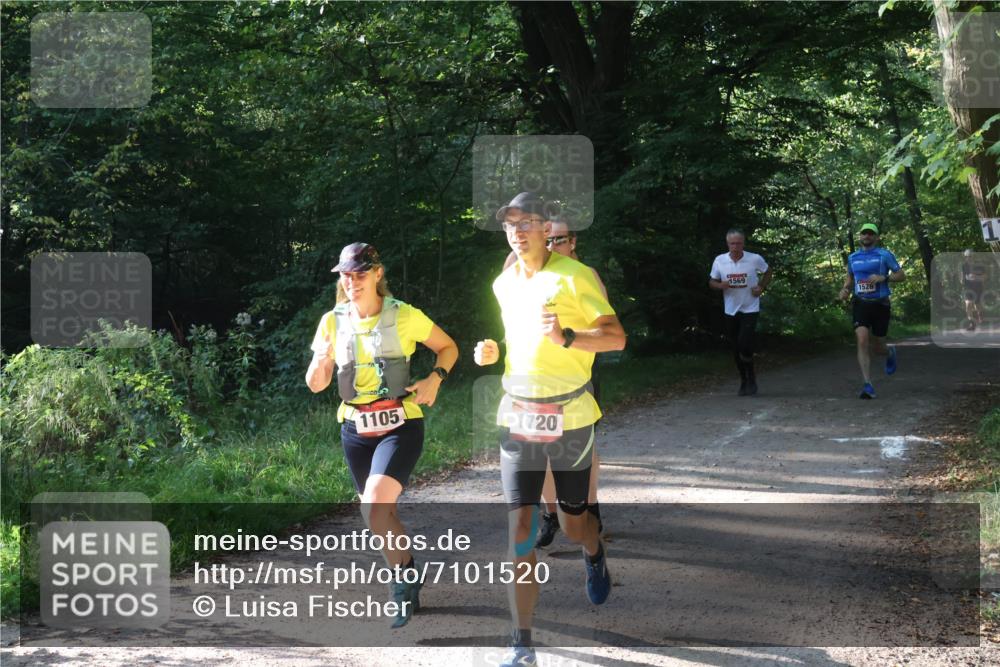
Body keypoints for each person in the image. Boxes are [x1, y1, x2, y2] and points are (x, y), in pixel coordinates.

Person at [475, 193, 626, 667]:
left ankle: (594, 547)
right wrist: (493, 355)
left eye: (527, 223)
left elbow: (617, 336)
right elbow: (517, 340)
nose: (518, 232)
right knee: (519, 526)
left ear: (546, 229)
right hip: (517, 413)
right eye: (510, 225)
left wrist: (568, 336)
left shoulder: (576, 277)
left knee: (571, 523)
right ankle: (521, 643)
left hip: (571, 416)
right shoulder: (503, 283)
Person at [305, 242, 458, 628]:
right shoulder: (331, 321)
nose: (351, 282)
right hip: (355, 428)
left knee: (374, 505)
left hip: (400, 424)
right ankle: (407, 572)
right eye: (345, 275)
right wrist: (321, 360)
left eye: (359, 274)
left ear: (377, 274)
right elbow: (315, 384)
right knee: (378, 514)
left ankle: (400, 585)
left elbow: (447, 347)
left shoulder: (403, 315)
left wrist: (434, 379)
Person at [504, 219, 608, 549]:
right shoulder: (515, 269)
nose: (550, 246)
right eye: (546, 239)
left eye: (558, 240)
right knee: (539, 452)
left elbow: (606, 330)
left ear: (572, 242)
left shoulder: (584, 275)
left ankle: (587, 508)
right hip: (530, 383)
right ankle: (550, 513)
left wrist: (569, 338)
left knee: (581, 450)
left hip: (573, 379)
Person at [838, 224, 905, 399]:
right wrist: (845, 289)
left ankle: (889, 352)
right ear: (860, 237)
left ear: (876, 237)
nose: (867, 236)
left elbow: (901, 275)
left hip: (881, 304)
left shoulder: (884, 255)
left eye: (870, 233)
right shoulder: (853, 257)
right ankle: (867, 384)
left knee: (878, 347)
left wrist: (885, 277)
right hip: (861, 303)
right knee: (861, 339)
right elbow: (850, 277)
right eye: (864, 233)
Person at [709, 229, 772, 395]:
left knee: (745, 343)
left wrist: (761, 287)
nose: (735, 247)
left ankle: (751, 377)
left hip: (750, 307)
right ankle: (744, 380)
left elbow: (768, 271)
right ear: (727, 244)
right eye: (732, 243)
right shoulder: (720, 260)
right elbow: (712, 281)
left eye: (738, 243)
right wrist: (719, 285)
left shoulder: (754, 259)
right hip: (730, 309)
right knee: (736, 347)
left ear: (743, 243)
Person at [961, 249, 986, 331]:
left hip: (978, 287)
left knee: (977, 305)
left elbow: (984, 277)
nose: (968, 258)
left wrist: (976, 277)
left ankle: (980, 316)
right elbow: (962, 278)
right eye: (966, 256)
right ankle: (972, 323)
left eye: (970, 256)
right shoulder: (964, 266)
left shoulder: (979, 265)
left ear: (974, 256)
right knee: (968, 304)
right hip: (968, 288)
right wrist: (962, 279)